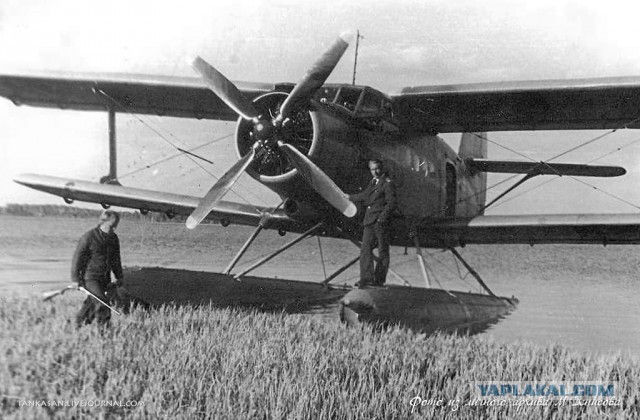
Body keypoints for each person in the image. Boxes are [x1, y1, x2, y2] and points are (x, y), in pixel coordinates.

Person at [71, 210, 124, 328]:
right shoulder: (88, 237)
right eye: (112, 225)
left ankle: (78, 325)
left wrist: (119, 276)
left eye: (116, 226)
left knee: (92, 302)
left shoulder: (114, 238)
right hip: (90, 278)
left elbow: (116, 259)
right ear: (103, 222)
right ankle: (104, 332)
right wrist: (75, 279)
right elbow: (77, 259)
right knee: (102, 302)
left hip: (104, 278)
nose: (114, 229)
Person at [349, 159, 397, 287]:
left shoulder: (388, 183)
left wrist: (382, 218)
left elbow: (391, 203)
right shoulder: (373, 182)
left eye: (377, 169)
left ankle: (379, 280)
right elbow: (365, 196)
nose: (375, 172)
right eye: (372, 169)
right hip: (369, 221)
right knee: (365, 250)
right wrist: (348, 197)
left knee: (383, 251)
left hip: (380, 222)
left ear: (382, 168)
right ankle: (366, 279)